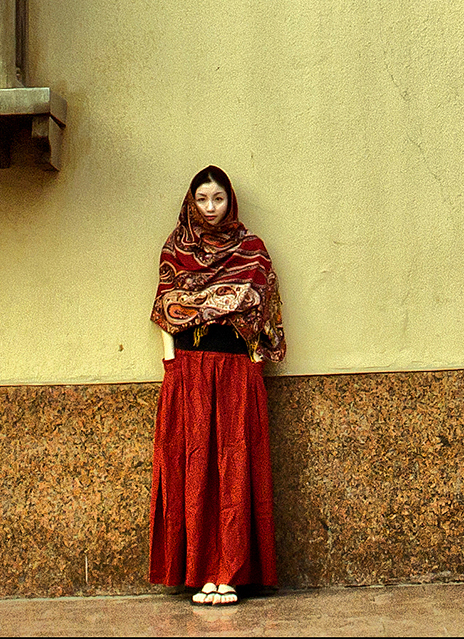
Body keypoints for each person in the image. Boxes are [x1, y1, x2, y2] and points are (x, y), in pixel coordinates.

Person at [148, 165, 287, 606]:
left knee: (235, 468)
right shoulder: (176, 248)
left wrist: (254, 366)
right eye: (202, 199)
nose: (210, 208)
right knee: (194, 470)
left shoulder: (252, 250)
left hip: (236, 371)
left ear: (231, 200)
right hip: (189, 370)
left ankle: (230, 573)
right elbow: (164, 309)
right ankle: (202, 572)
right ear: (192, 202)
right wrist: (171, 365)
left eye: (218, 198)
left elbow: (263, 312)